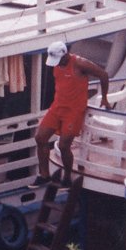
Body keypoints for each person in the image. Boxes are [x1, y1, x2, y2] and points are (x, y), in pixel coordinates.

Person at [32, 40, 109, 186]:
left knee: (63, 146)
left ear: (65, 55)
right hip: (57, 106)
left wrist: (104, 97)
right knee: (40, 138)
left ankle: (67, 178)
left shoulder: (79, 63)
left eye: (58, 60)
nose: (57, 64)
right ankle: (44, 175)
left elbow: (103, 75)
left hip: (73, 110)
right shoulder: (57, 64)